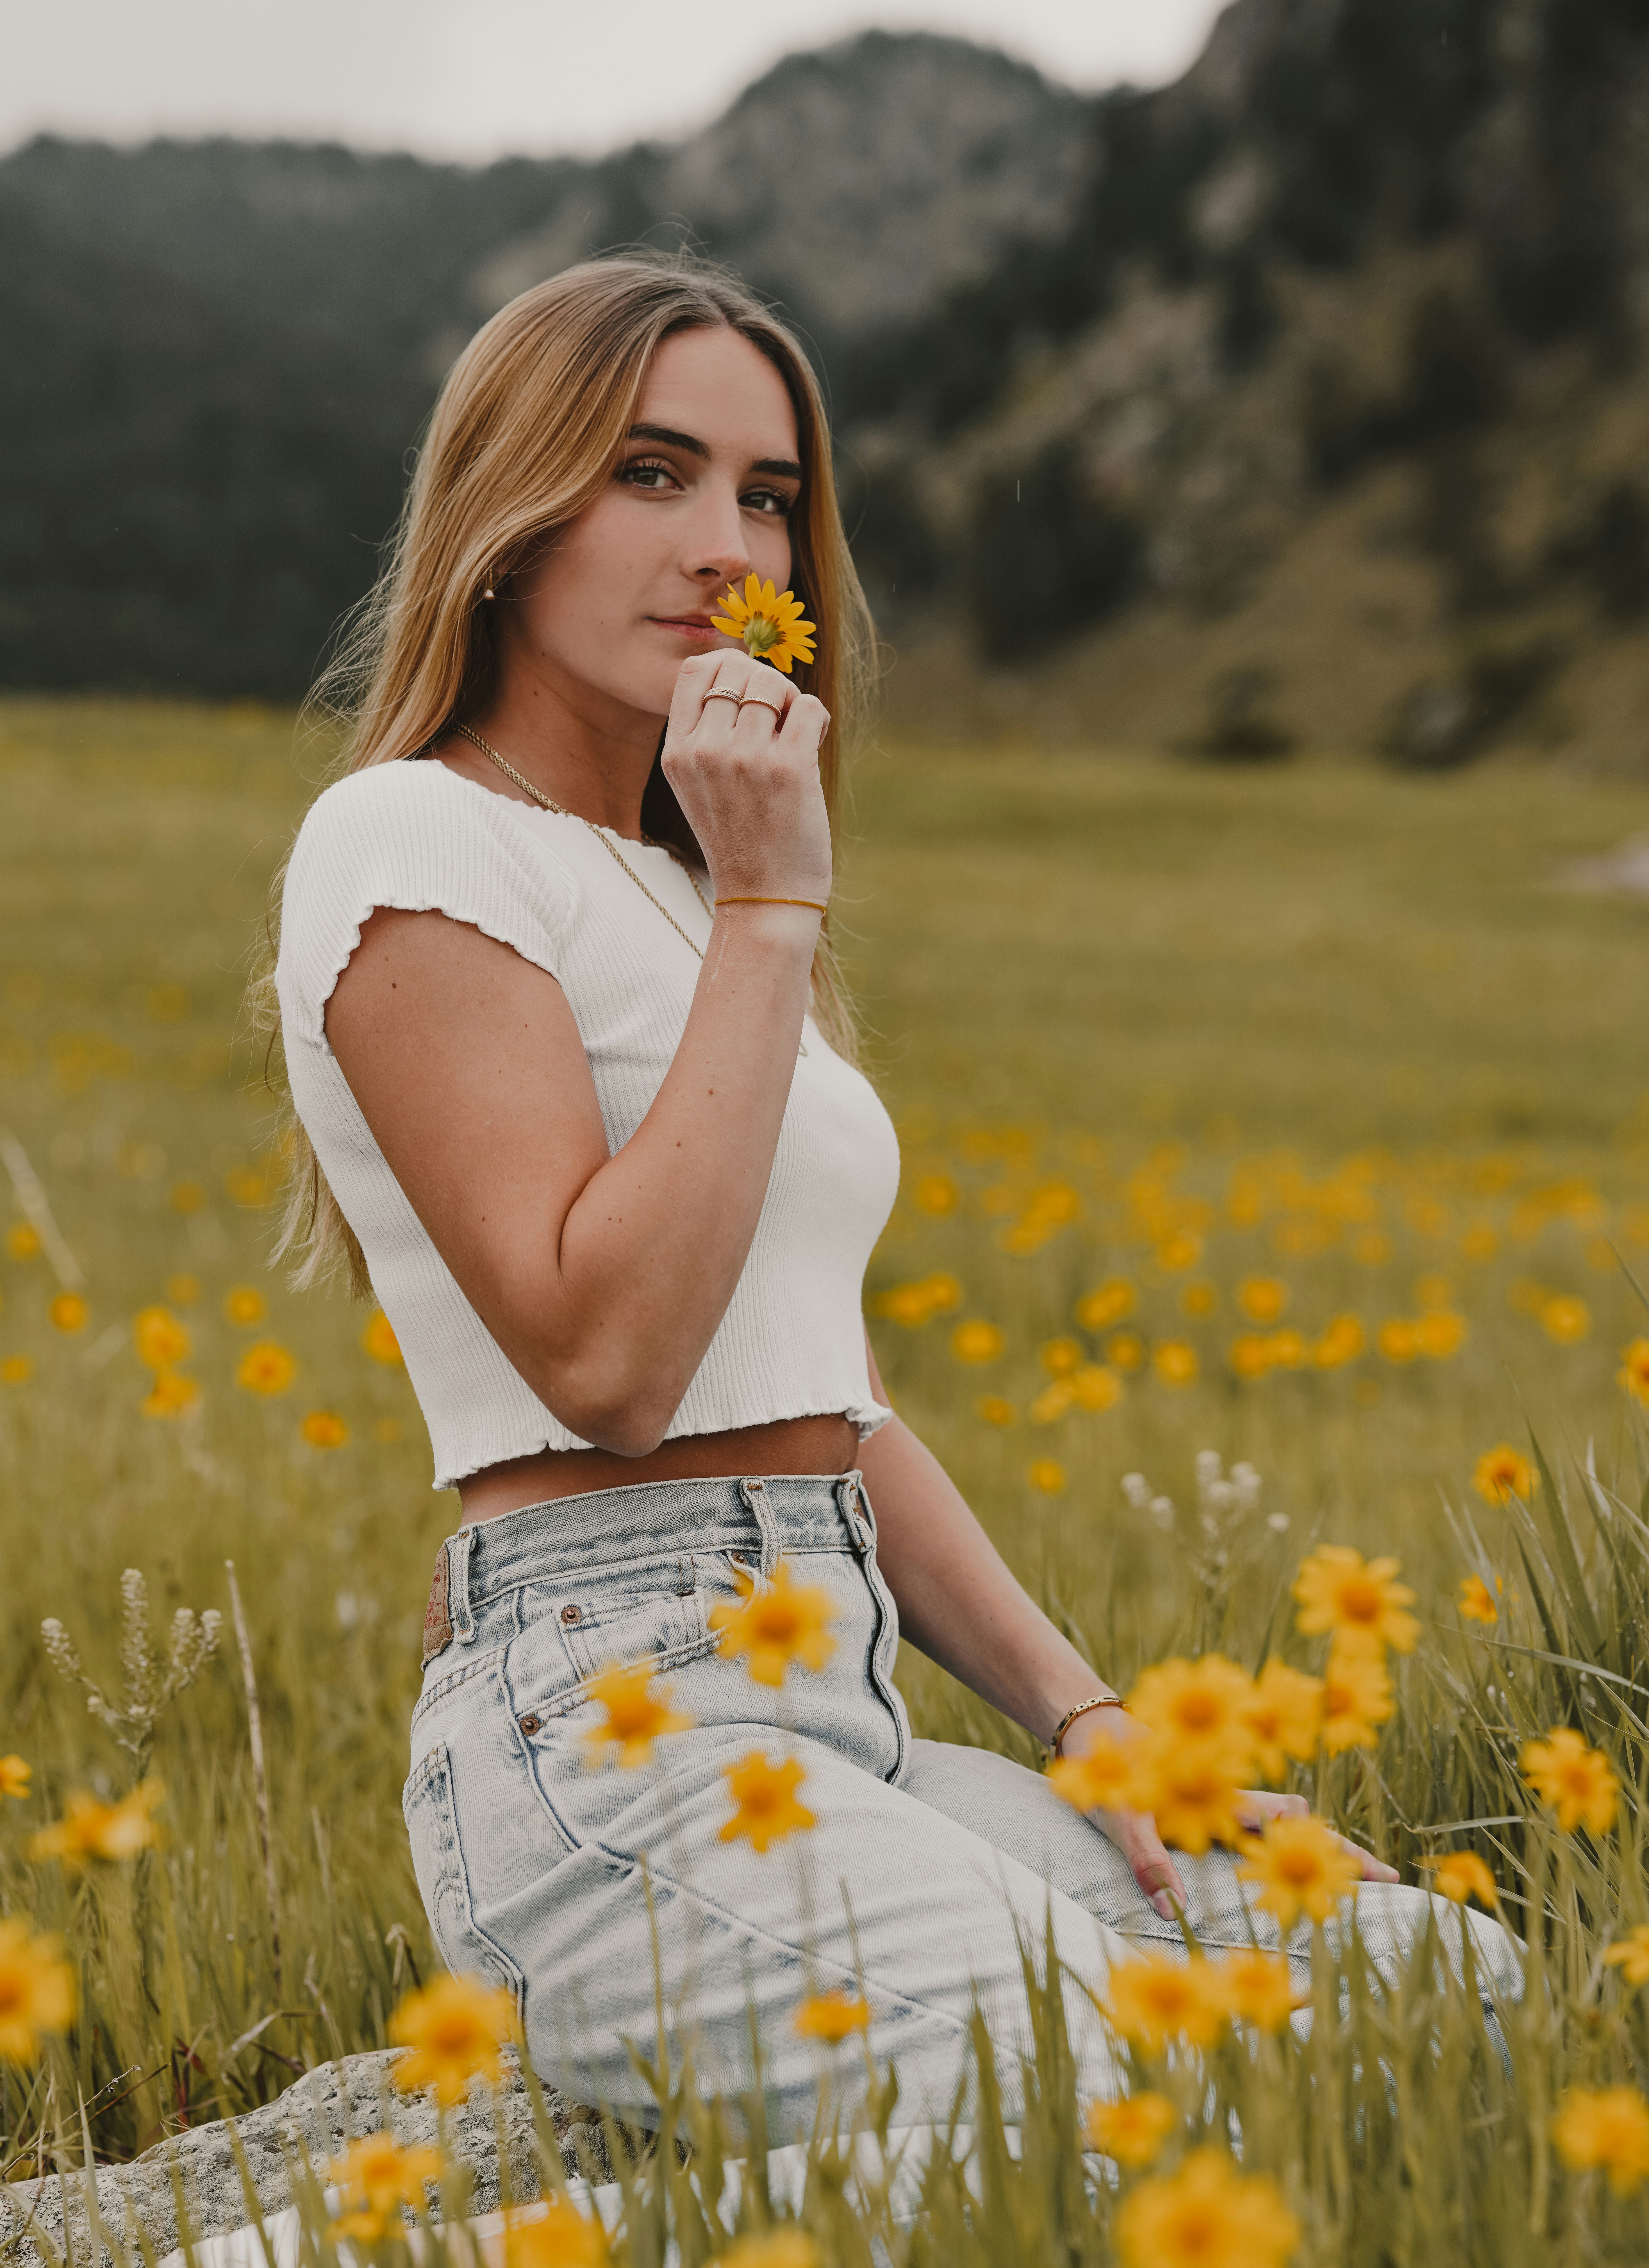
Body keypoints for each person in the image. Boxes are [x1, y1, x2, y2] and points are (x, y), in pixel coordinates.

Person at [262, 255, 1516, 2139]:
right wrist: (778, 904)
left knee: (1446, 1993)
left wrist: (1093, 1723)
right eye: (651, 474)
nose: (727, 549)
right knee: (1117, 2097)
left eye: (766, 498)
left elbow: (821, 1404)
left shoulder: (696, 887)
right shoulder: (410, 838)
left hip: (835, 1718)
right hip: (606, 1744)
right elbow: (609, 1361)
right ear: (510, 520)